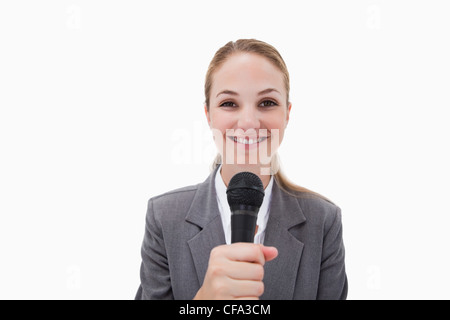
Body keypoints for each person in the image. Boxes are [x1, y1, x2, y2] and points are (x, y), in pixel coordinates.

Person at [135, 39, 348, 300]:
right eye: (229, 103)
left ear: (287, 114)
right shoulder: (165, 218)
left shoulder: (323, 221)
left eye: (267, 102)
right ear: (208, 115)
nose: (248, 122)